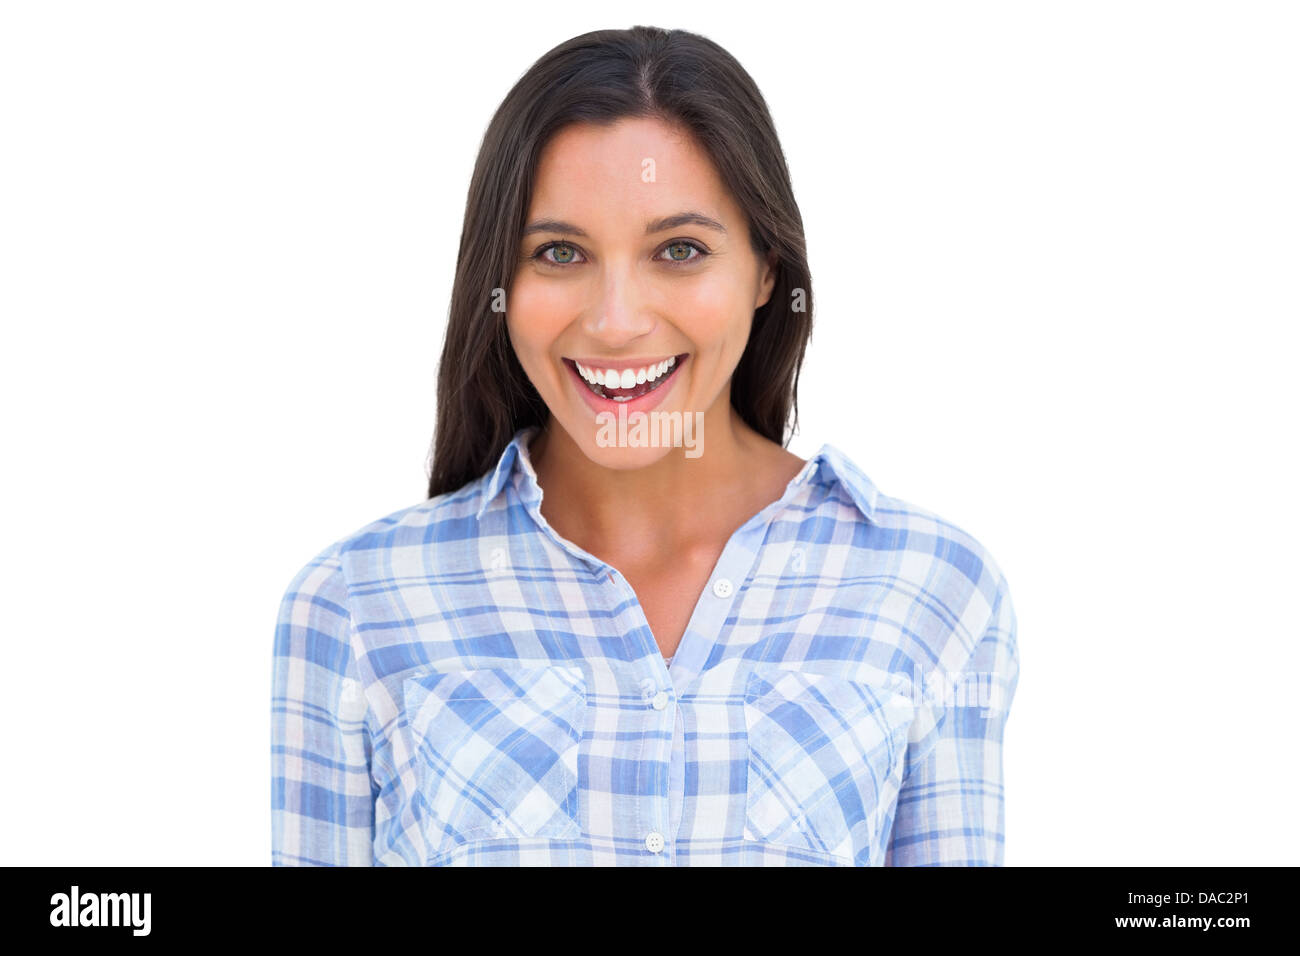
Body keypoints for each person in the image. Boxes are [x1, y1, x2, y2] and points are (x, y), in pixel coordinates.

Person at [271, 25, 1020, 867]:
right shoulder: (356, 607)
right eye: (559, 253)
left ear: (767, 271)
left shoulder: (932, 590)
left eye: (680, 251)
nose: (617, 321)